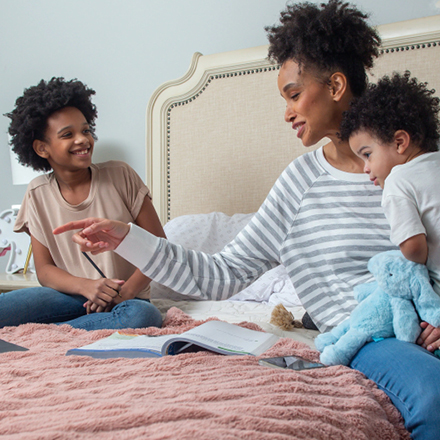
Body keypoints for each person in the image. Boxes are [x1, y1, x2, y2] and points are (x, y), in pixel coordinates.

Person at [53, 1, 440, 438]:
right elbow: (223, 274)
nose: (288, 112)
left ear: (335, 85)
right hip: (371, 338)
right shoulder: (301, 182)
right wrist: (129, 238)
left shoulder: (416, 164)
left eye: (294, 94)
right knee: (434, 397)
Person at [1, 77, 164, 330]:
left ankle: (52, 334)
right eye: (68, 134)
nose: (83, 140)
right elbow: (44, 270)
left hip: (127, 299)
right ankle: (82, 327)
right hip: (70, 296)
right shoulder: (37, 192)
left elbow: (160, 249)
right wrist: (87, 287)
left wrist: (125, 292)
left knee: (143, 318)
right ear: (42, 148)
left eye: (86, 130)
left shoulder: (121, 175)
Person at [341, 71, 440, 295]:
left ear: (399, 142)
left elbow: (415, 249)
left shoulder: (398, 180)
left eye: (367, 154)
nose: (365, 167)